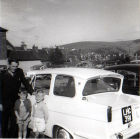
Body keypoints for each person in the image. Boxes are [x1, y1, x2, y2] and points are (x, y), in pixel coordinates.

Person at [1, 59, 33, 138]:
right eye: (13, 66)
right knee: (4, 122)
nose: (15, 68)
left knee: (14, 122)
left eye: (16, 66)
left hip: (15, 101)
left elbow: (25, 82)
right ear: (8, 65)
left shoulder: (19, 72)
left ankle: (12, 136)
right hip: (5, 102)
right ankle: (4, 136)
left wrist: (32, 91)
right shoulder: (2, 74)